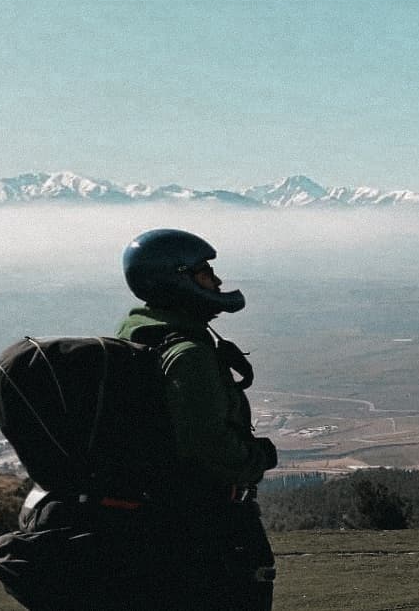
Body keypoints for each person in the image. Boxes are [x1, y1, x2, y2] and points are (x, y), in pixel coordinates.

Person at [116, 228, 279, 607]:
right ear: (177, 279)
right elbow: (210, 446)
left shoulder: (139, 334)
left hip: (162, 519)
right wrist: (257, 459)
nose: (217, 281)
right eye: (205, 272)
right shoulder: (188, 355)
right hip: (206, 524)